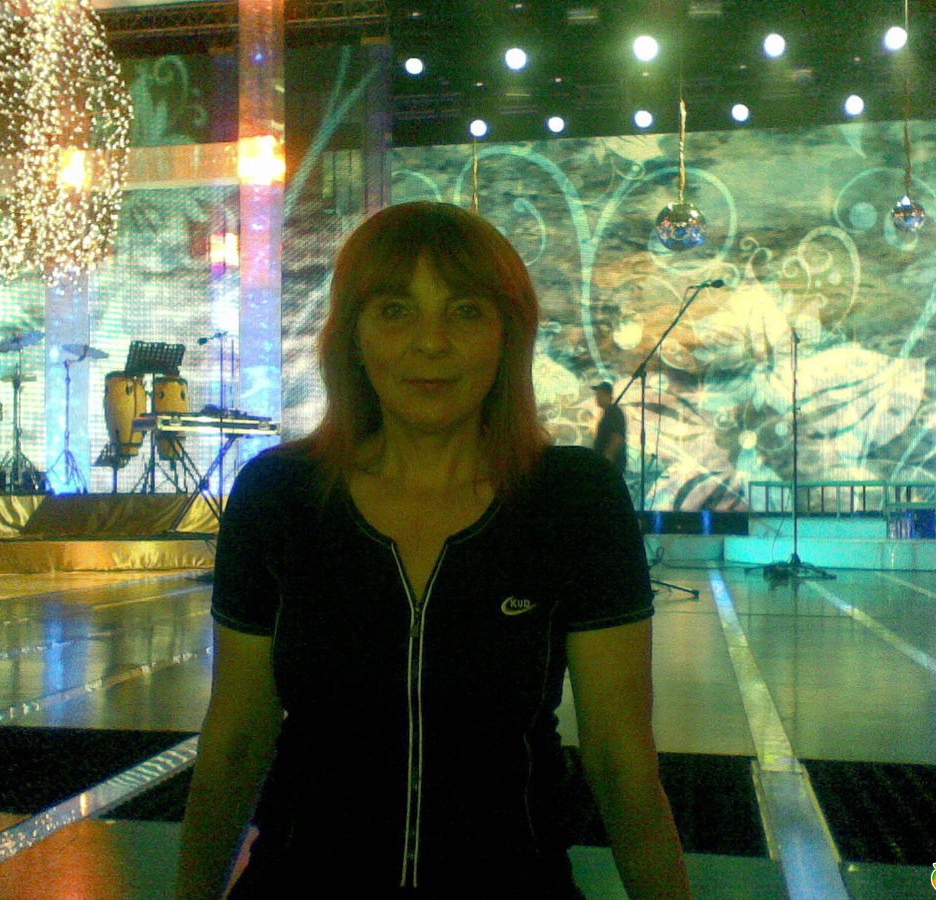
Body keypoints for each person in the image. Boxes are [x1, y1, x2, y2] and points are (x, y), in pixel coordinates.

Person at [175, 201, 690, 898]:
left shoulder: (573, 499)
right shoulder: (280, 496)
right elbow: (236, 744)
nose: (431, 343)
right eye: (395, 311)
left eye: (466, 312)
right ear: (352, 335)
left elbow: (622, 764)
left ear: (508, 335)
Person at [592, 381, 626, 475]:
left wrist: (606, 461)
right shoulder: (608, 413)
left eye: (600, 395)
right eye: (597, 395)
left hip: (610, 466)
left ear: (608, 396)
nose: (597, 398)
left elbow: (617, 439)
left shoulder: (614, 413)